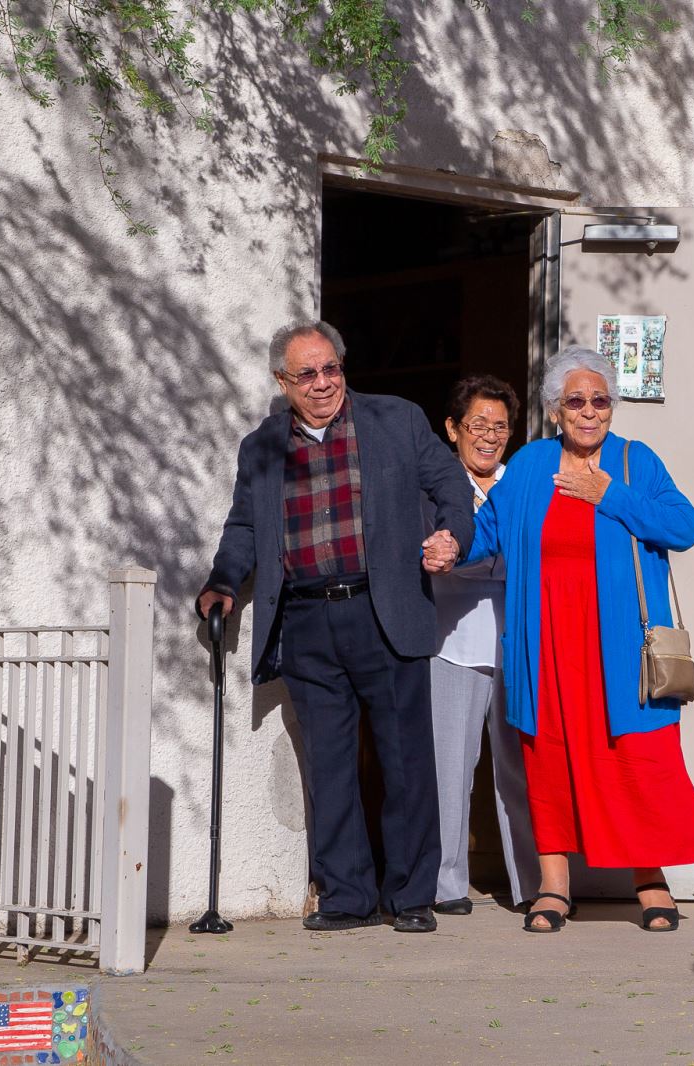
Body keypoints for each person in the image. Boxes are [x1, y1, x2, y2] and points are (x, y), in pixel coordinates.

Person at [196, 320, 472, 934]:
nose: (323, 383)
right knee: (329, 762)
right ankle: (346, 896)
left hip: (385, 610)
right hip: (306, 619)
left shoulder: (395, 420)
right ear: (282, 382)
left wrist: (452, 533)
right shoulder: (262, 447)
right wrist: (221, 582)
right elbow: (245, 527)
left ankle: (410, 897)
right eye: (307, 374)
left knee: (405, 761)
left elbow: (449, 481)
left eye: (332, 369)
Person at [423, 346, 694, 933]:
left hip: (621, 648)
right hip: (546, 643)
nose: (589, 411)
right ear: (556, 409)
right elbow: (491, 533)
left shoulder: (635, 463)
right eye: (576, 401)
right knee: (548, 761)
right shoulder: (530, 465)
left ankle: (650, 880)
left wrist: (612, 495)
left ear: (612, 406)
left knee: (634, 760)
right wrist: (454, 547)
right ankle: (553, 888)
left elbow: (685, 527)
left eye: (599, 400)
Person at [426, 374, 540, 915]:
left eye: (501, 426)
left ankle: (533, 886)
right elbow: (439, 560)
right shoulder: (435, 486)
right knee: (451, 770)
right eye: (478, 425)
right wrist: (496, 562)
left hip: (516, 646)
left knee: (520, 771)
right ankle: (446, 886)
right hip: (452, 644)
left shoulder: (521, 482)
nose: (490, 436)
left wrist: (479, 561)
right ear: (452, 429)